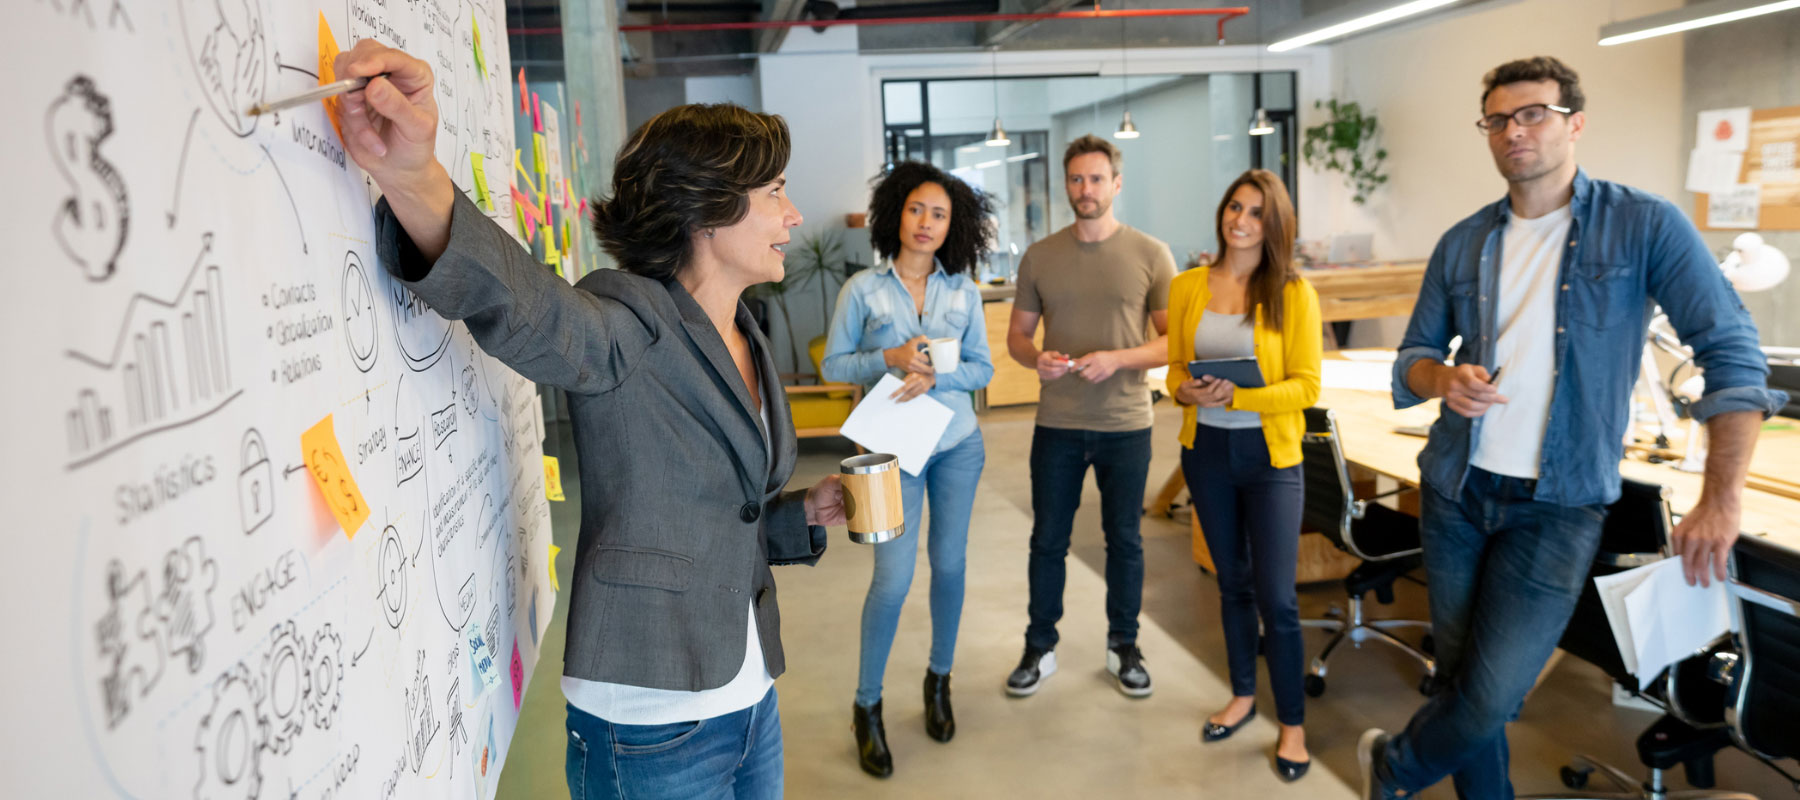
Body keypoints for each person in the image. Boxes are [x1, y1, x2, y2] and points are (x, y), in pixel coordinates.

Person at [332, 41, 849, 800]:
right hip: (649, 724)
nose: (793, 213)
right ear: (708, 208)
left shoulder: (747, 332)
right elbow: (529, 310)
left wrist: (804, 512)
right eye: (774, 190)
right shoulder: (625, 324)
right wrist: (415, 177)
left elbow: (720, 523)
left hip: (746, 698)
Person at [1358, 56, 1786, 800]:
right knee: (1461, 684)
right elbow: (1414, 358)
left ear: (1574, 123)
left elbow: (1733, 352)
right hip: (1457, 489)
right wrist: (1441, 380)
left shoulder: (1643, 225)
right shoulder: (1463, 242)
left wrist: (1722, 498)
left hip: (1558, 505)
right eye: (1497, 119)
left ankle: (1392, 768)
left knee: (1491, 696)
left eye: (1533, 114)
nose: (1513, 131)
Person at [821, 161, 997, 779]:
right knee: (892, 583)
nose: (927, 223)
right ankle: (866, 706)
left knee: (950, 566)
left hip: (956, 445)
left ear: (955, 226)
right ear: (897, 212)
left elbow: (984, 370)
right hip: (892, 452)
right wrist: (887, 357)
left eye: (940, 214)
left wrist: (939, 374)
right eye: (918, 209)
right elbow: (834, 367)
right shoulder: (862, 291)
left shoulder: (964, 292)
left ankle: (939, 681)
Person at [1004, 134, 1176, 699]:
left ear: (1116, 184)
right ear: (1066, 185)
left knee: (1124, 539)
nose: (1086, 189)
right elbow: (1018, 337)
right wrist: (1039, 360)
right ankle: (1039, 645)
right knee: (1047, 539)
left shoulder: (1151, 254)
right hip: (1057, 424)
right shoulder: (1040, 256)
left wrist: (1119, 359)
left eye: (1096, 179)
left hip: (1126, 424)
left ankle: (1124, 646)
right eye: (1076, 179)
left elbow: (1175, 342)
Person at [1166, 169, 1321, 782]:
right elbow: (1176, 366)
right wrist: (1184, 389)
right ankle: (1241, 694)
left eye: (1256, 213)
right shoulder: (1187, 286)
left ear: (1273, 224)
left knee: (1278, 599)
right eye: (1235, 206)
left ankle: (1292, 726)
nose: (1241, 221)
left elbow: (1307, 386)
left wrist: (1239, 399)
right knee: (1231, 584)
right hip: (1205, 453)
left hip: (1271, 460)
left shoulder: (1293, 292)